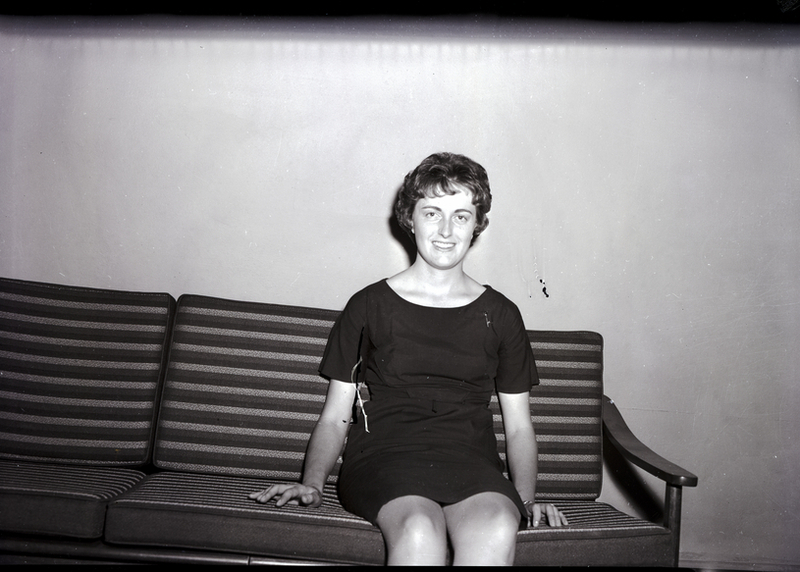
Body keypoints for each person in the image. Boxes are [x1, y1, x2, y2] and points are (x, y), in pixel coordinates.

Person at [249, 152, 567, 565]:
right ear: (410, 218)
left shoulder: (501, 314)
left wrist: (524, 501)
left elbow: (520, 427)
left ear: (477, 225)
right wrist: (313, 484)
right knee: (419, 528)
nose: (446, 231)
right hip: (385, 457)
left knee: (497, 525)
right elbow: (334, 417)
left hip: (470, 461)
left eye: (461, 216)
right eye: (432, 213)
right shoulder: (368, 305)